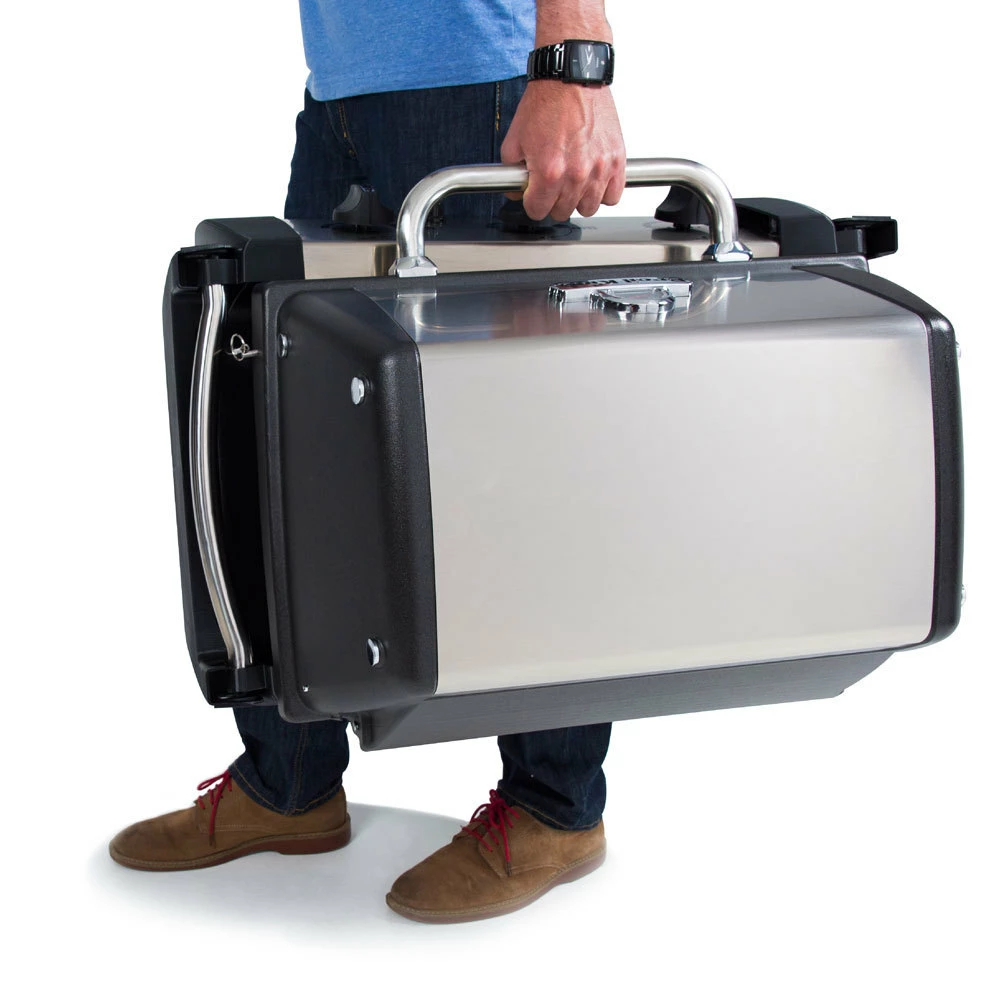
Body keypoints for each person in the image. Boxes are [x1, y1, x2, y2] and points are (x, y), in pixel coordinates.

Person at [110, 0, 627, 924]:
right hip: (341, 95)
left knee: (512, 466)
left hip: (478, 90)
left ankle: (555, 807)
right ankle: (290, 784)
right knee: (297, 456)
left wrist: (573, 62)